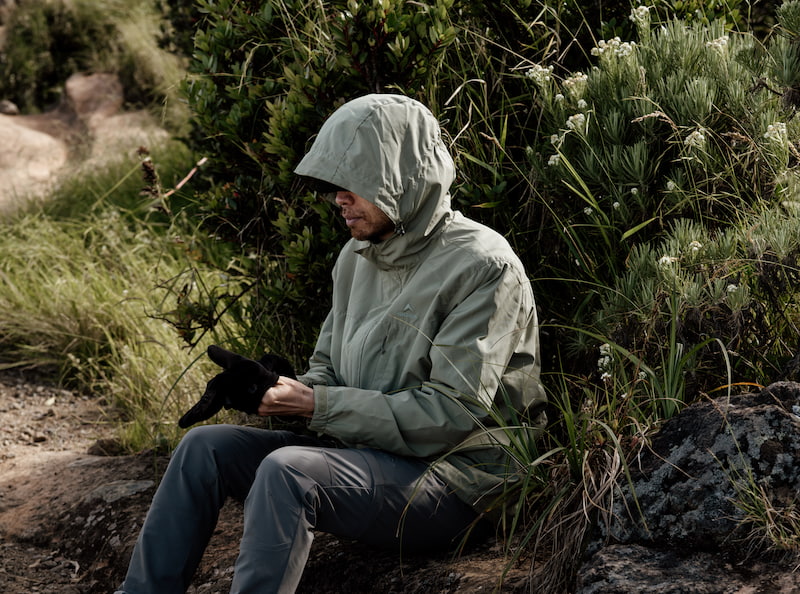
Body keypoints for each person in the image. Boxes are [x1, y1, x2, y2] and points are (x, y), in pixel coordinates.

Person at [115, 93, 547, 593]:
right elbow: (328, 371)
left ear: (405, 179)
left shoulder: (483, 266)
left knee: (288, 472)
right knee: (203, 448)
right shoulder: (356, 257)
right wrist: (273, 389)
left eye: (356, 183)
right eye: (334, 184)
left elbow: (451, 417)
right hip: (367, 458)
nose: (339, 197)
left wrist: (316, 404)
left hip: (460, 483)